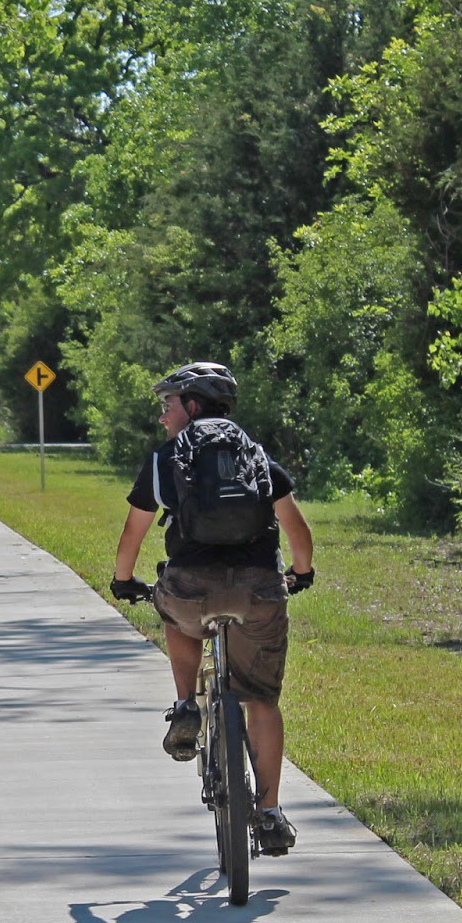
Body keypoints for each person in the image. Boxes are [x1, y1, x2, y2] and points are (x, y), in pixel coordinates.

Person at [110, 362, 315, 855]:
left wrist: (123, 581)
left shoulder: (165, 460)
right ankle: (270, 813)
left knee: (169, 602)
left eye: (169, 405)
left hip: (192, 588)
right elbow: (296, 530)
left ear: (192, 404)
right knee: (262, 701)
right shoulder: (256, 455)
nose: (163, 416)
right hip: (258, 590)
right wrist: (301, 572)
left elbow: (134, 532)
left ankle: (186, 704)